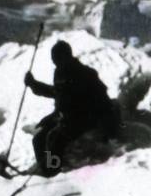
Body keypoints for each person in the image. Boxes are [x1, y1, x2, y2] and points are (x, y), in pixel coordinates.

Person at [24, 41, 118, 175]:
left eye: (56, 59)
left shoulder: (85, 74)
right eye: (54, 60)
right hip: (68, 117)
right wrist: (34, 84)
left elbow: (101, 100)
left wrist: (108, 125)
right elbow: (58, 93)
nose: (55, 63)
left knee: (54, 138)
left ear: (66, 56)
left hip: (87, 118)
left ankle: (52, 170)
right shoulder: (61, 72)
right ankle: (44, 167)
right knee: (39, 139)